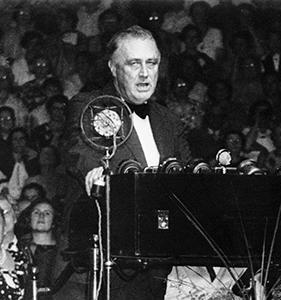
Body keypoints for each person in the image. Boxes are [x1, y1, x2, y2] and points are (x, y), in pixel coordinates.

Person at [67, 25, 191, 299]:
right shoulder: (90, 105)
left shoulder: (169, 120)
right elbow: (80, 153)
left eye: (152, 63)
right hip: (109, 259)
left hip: (159, 261)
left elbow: (186, 177)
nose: (145, 73)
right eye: (134, 63)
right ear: (113, 67)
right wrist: (96, 171)